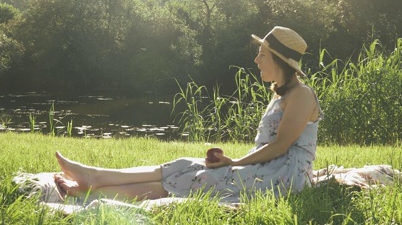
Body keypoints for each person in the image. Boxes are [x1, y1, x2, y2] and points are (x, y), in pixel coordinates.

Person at [54, 26, 322, 203]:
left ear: (279, 60)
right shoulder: (282, 95)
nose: (256, 60)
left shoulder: (301, 95)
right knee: (185, 164)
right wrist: (235, 162)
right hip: (268, 167)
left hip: (285, 177)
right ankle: (97, 177)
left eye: (262, 54)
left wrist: (235, 162)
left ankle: (95, 194)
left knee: (202, 177)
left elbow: (280, 146)